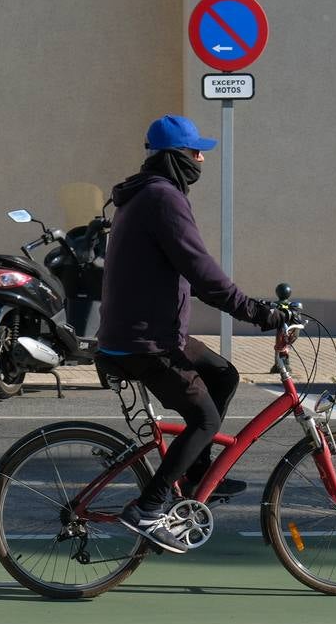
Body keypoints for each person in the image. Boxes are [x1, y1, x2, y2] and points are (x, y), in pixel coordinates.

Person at [96, 114, 285, 555]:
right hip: (145, 340)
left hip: (151, 332)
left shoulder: (150, 195)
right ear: (174, 157)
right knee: (205, 419)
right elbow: (201, 273)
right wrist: (257, 312)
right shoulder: (162, 199)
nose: (201, 158)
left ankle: (197, 476)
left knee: (223, 375)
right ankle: (149, 508)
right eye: (195, 151)